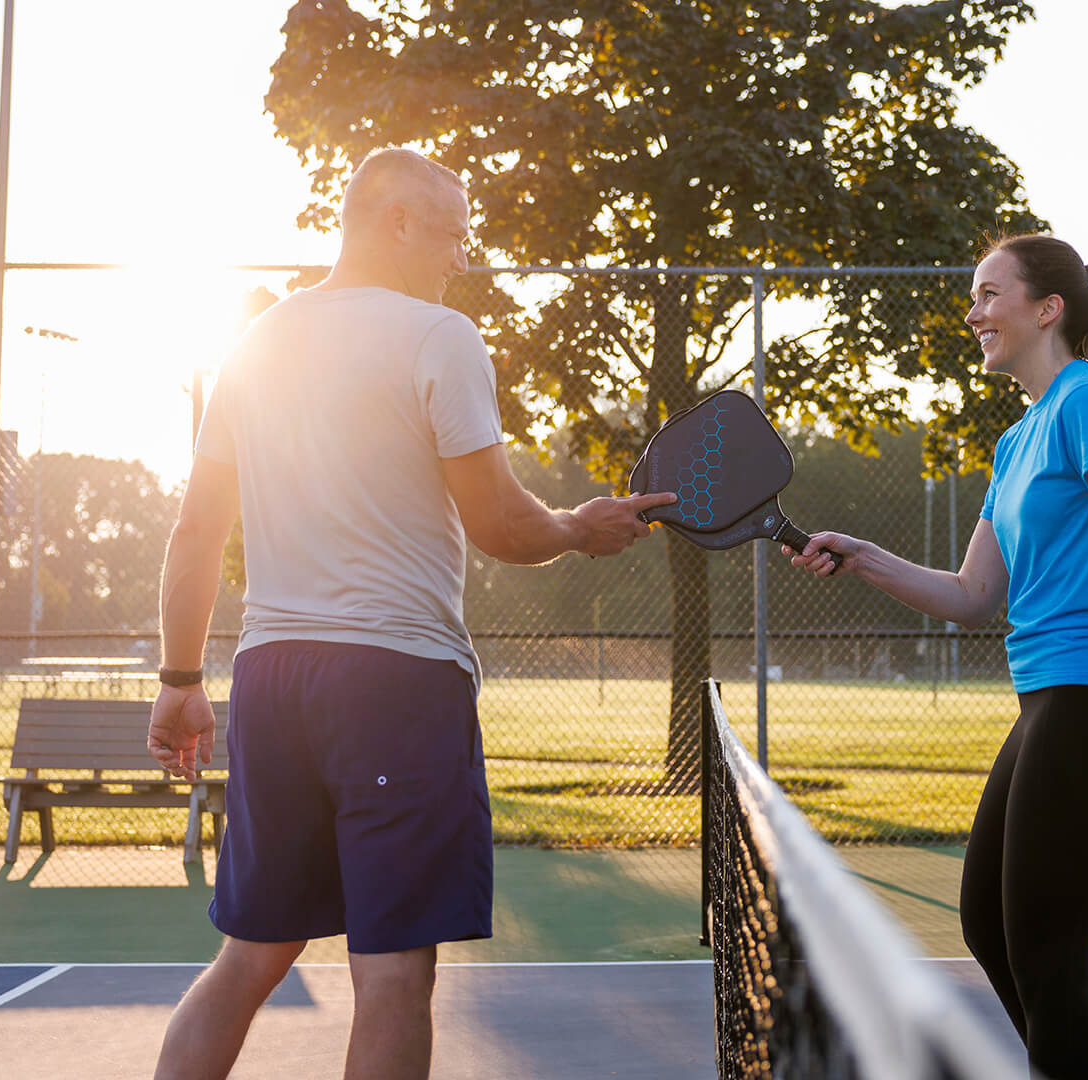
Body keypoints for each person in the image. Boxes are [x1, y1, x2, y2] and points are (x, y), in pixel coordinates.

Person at [144, 146, 674, 1080]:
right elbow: (505, 526)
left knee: (249, 956)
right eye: (452, 235)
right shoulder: (439, 336)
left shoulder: (253, 346)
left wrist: (180, 680)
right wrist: (579, 527)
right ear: (395, 222)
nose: (461, 258)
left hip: (270, 677)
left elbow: (194, 532)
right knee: (392, 976)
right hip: (393, 683)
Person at [787, 234, 1088, 1079]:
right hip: (1047, 702)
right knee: (988, 924)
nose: (971, 313)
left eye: (987, 294)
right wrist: (863, 554)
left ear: (1048, 309)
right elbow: (973, 596)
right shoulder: (1016, 444)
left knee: (1046, 948)